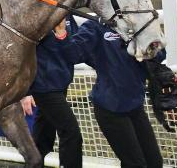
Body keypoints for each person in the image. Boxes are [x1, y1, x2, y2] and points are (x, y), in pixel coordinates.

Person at [61, 20, 165, 168]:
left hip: (135, 106)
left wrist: (153, 42)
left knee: (154, 162)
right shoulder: (95, 27)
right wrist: (61, 34)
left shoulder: (135, 24)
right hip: (110, 110)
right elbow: (73, 54)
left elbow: (159, 56)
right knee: (135, 164)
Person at [20, 15, 83, 168]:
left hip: (61, 84)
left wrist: (62, 34)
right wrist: (25, 92)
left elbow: (73, 49)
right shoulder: (38, 12)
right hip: (43, 87)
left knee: (42, 138)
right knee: (71, 133)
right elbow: (22, 52)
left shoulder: (67, 14)